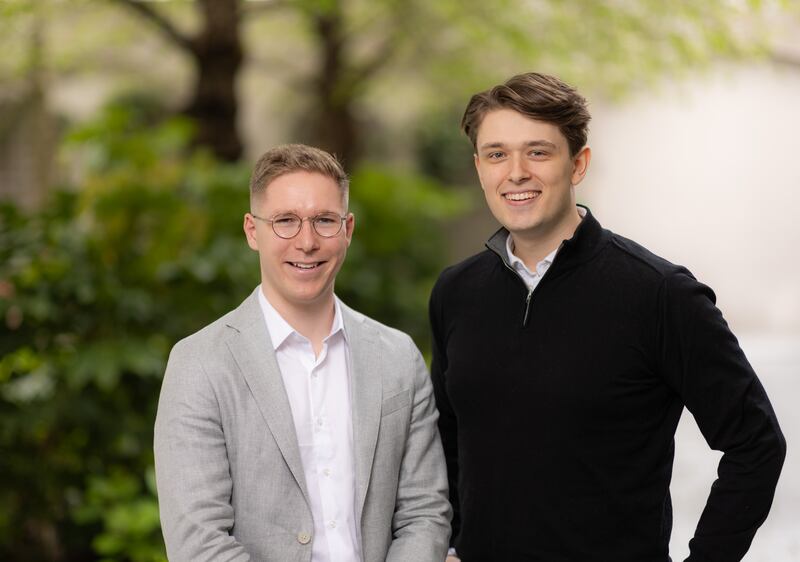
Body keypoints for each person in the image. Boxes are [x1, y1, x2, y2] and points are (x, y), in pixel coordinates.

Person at [430, 72, 786, 561]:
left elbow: (757, 444)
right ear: (479, 167)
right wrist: (448, 543)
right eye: (497, 154)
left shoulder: (660, 294)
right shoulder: (456, 292)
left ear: (578, 164)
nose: (515, 172)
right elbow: (447, 440)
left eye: (537, 151)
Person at [155, 144, 451, 562]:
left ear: (347, 229)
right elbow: (198, 541)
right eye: (285, 222)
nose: (307, 241)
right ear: (252, 231)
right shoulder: (199, 365)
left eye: (324, 221)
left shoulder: (398, 357)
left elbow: (425, 512)